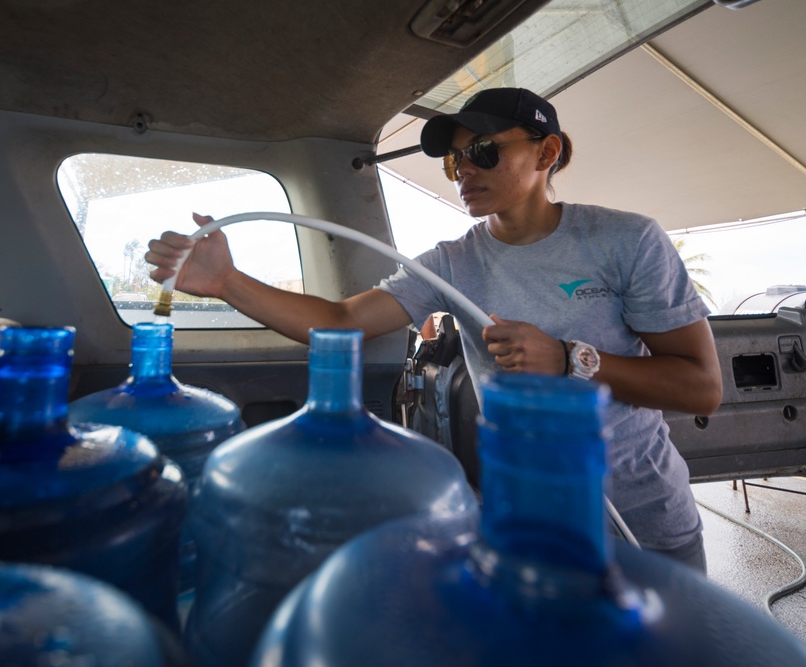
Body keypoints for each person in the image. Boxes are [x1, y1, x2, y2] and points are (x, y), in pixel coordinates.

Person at [146, 87, 723, 572]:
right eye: (453, 162)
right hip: (520, 523)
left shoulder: (626, 240)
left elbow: (700, 388)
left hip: (640, 520)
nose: (464, 169)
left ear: (547, 151)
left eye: (481, 151)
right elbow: (343, 321)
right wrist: (227, 282)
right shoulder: (449, 264)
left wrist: (570, 358)